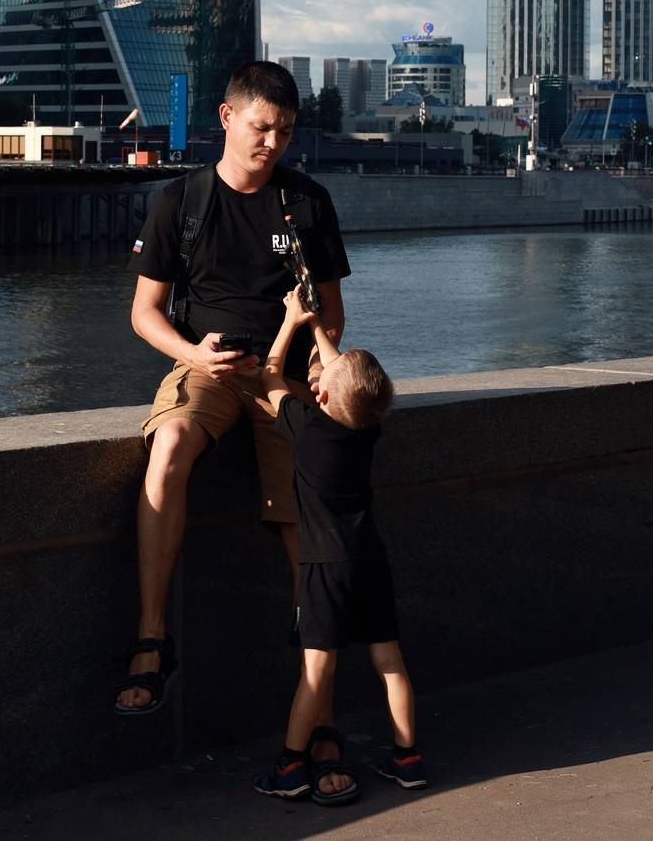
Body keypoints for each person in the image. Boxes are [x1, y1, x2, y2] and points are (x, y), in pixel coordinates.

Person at [114, 62, 352, 788]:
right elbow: (144, 314)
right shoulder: (180, 201)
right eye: (261, 127)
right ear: (226, 118)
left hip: (285, 378)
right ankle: (153, 639)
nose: (273, 143)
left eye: (285, 131)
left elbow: (331, 313)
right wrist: (194, 355)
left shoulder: (306, 202)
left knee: (306, 534)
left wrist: (318, 365)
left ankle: (319, 719)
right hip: (206, 369)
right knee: (168, 449)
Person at [254, 286, 427, 807]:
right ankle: (408, 758)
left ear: (323, 398)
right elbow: (345, 379)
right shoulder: (367, 427)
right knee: (391, 663)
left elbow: (269, 376)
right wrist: (316, 326)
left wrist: (289, 323)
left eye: (322, 381)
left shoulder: (307, 430)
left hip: (324, 568)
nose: (317, 376)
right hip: (370, 559)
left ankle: (290, 765)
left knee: (316, 671)